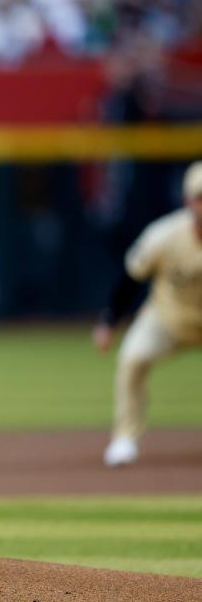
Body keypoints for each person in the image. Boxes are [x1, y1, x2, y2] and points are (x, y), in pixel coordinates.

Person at [93, 162, 202, 466]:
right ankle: (124, 438)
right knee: (132, 359)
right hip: (169, 318)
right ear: (188, 201)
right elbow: (131, 277)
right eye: (200, 197)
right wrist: (109, 321)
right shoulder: (164, 235)